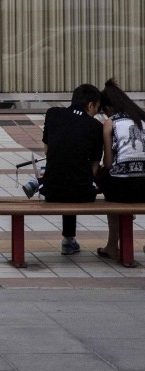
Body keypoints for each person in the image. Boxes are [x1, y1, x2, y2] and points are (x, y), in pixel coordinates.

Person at [40, 84, 103, 255]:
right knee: (75, 177)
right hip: (82, 194)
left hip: (51, 191)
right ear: (90, 105)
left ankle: (68, 240)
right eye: (97, 108)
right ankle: (69, 240)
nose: (96, 113)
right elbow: (95, 166)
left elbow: (47, 150)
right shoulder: (96, 127)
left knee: (65, 172)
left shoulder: (53, 114)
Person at [96, 78, 145, 260]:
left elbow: (108, 163)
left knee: (107, 177)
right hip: (144, 187)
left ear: (109, 108)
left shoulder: (111, 122)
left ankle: (112, 246)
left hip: (121, 190)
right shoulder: (142, 118)